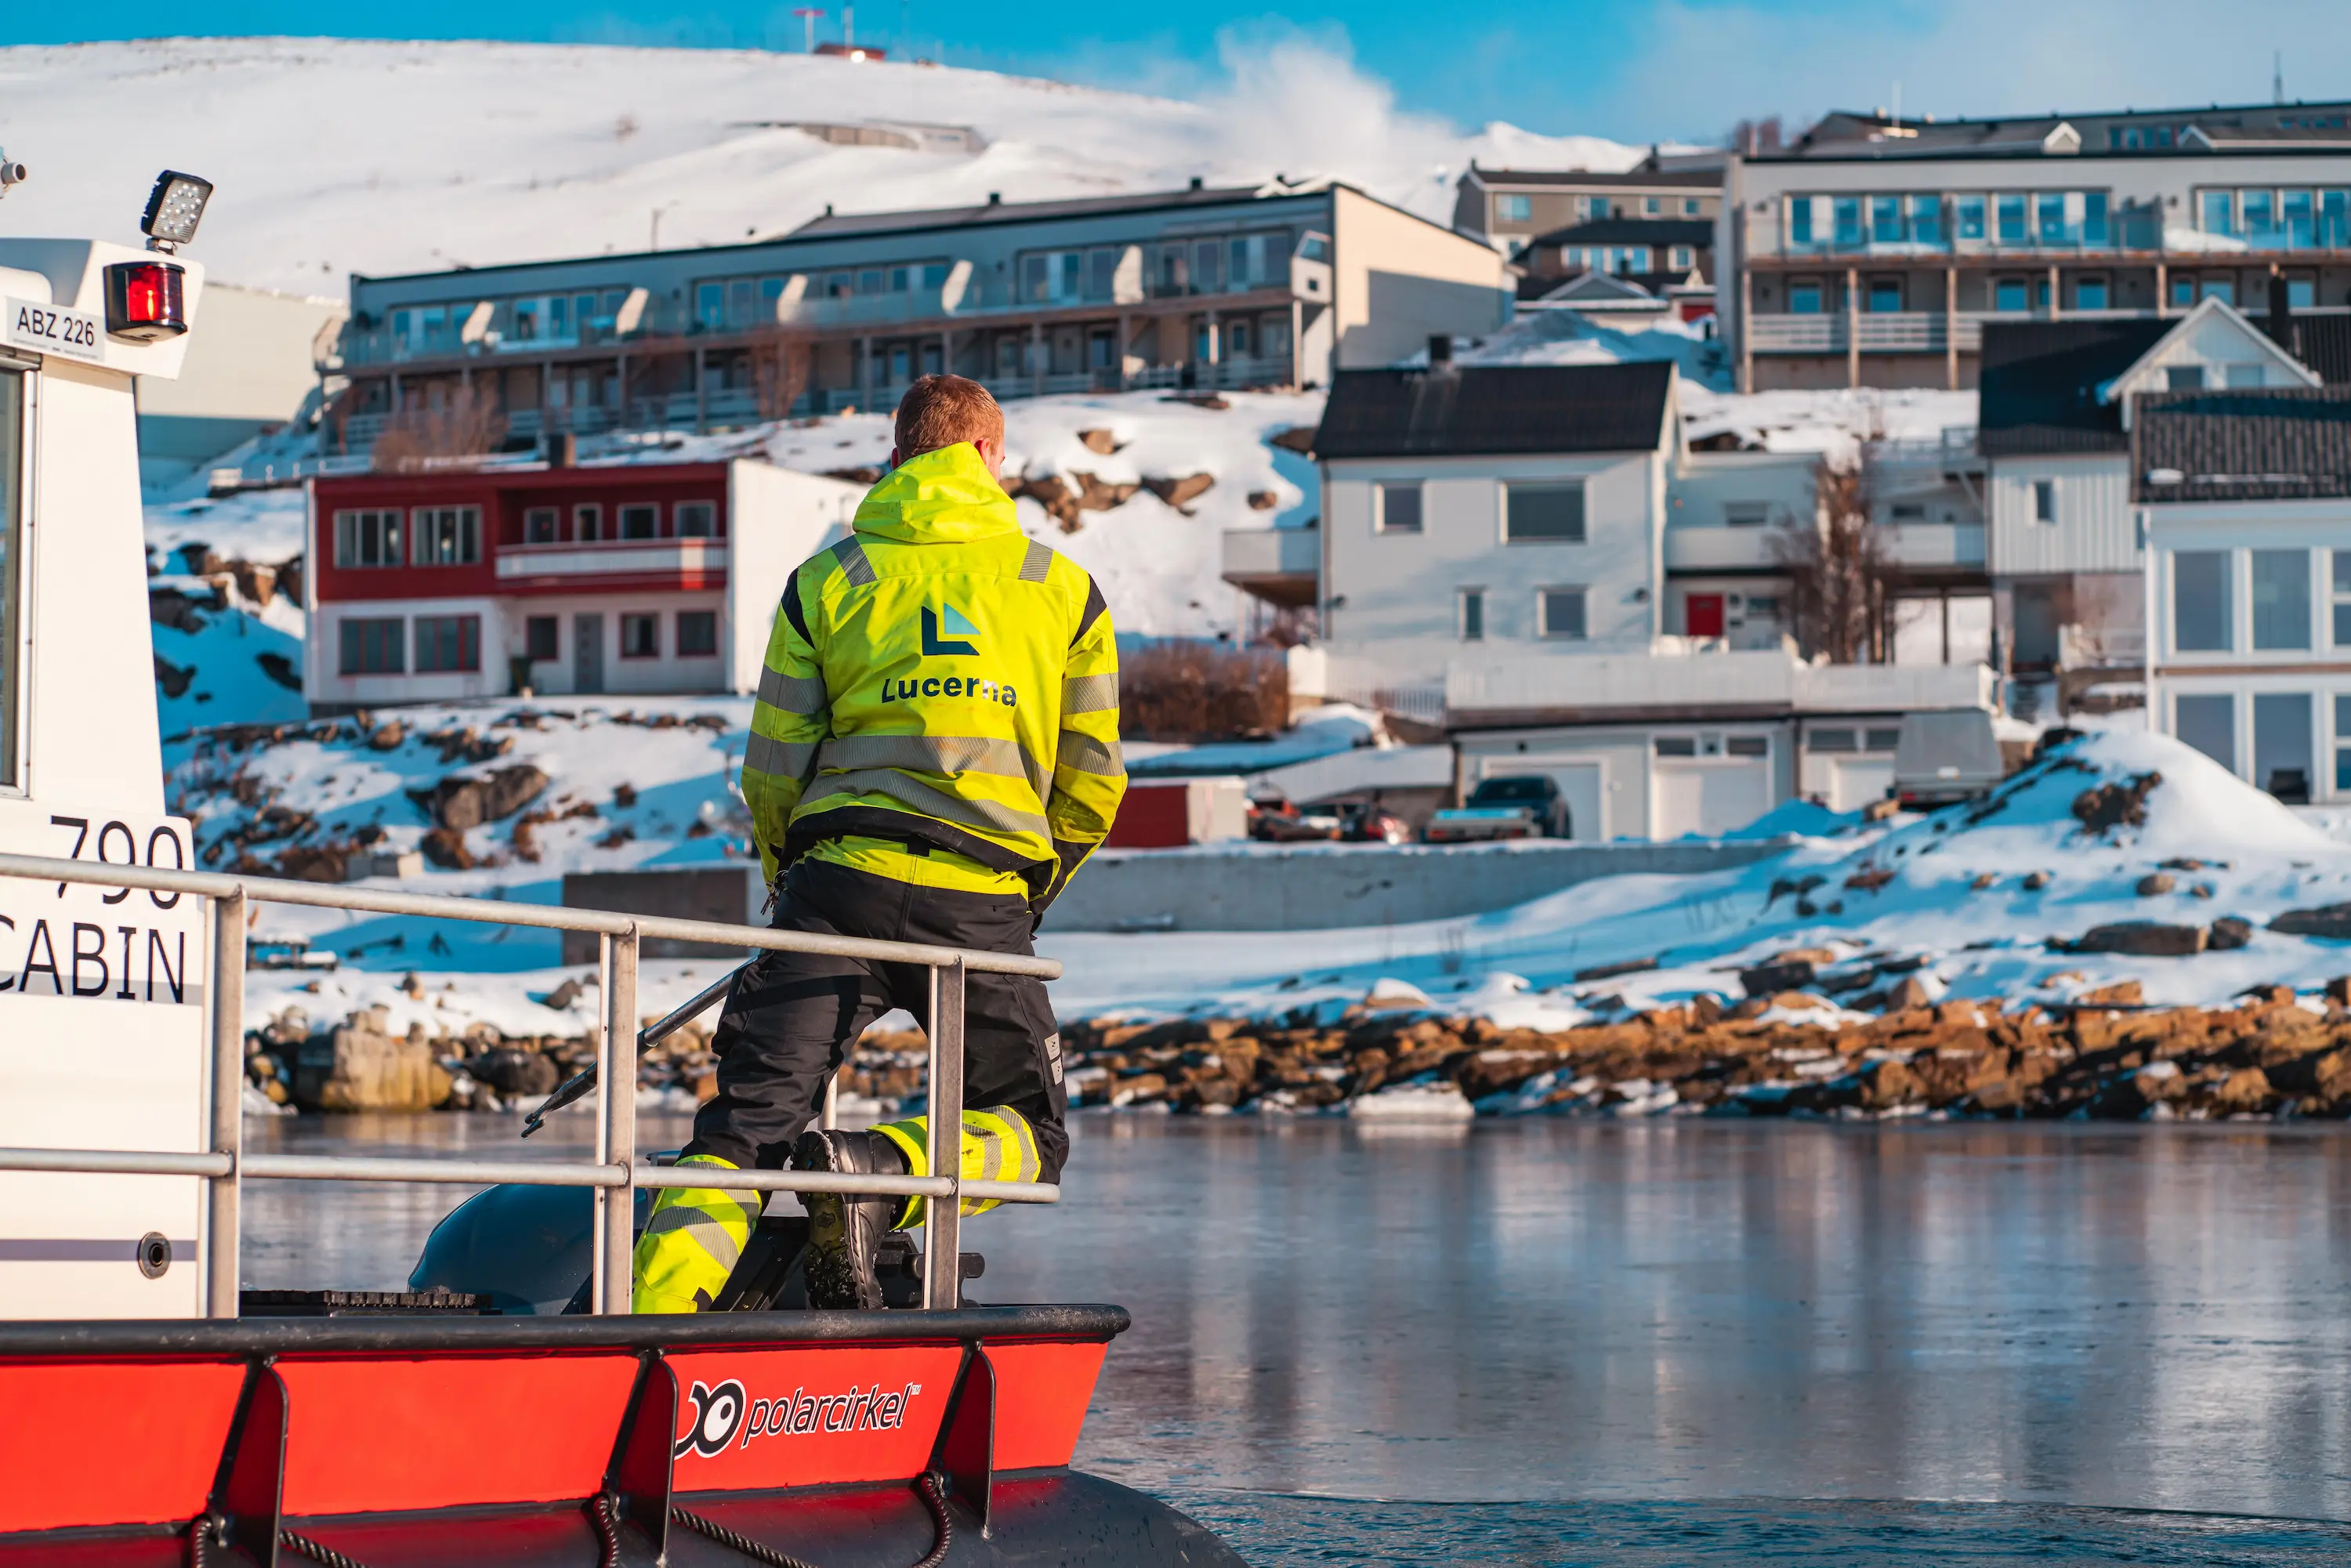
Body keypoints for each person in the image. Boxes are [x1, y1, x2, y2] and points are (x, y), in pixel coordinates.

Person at [632, 375, 1125, 1313]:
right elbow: (1094, 782)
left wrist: (788, 885)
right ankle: (877, 1172)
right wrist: (1030, 892)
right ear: (989, 456)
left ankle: (638, 1330)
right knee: (1031, 1135)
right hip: (981, 897)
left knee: (739, 1140)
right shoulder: (1062, 590)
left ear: (896, 459)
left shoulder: (828, 581)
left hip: (834, 890)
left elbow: (772, 770)